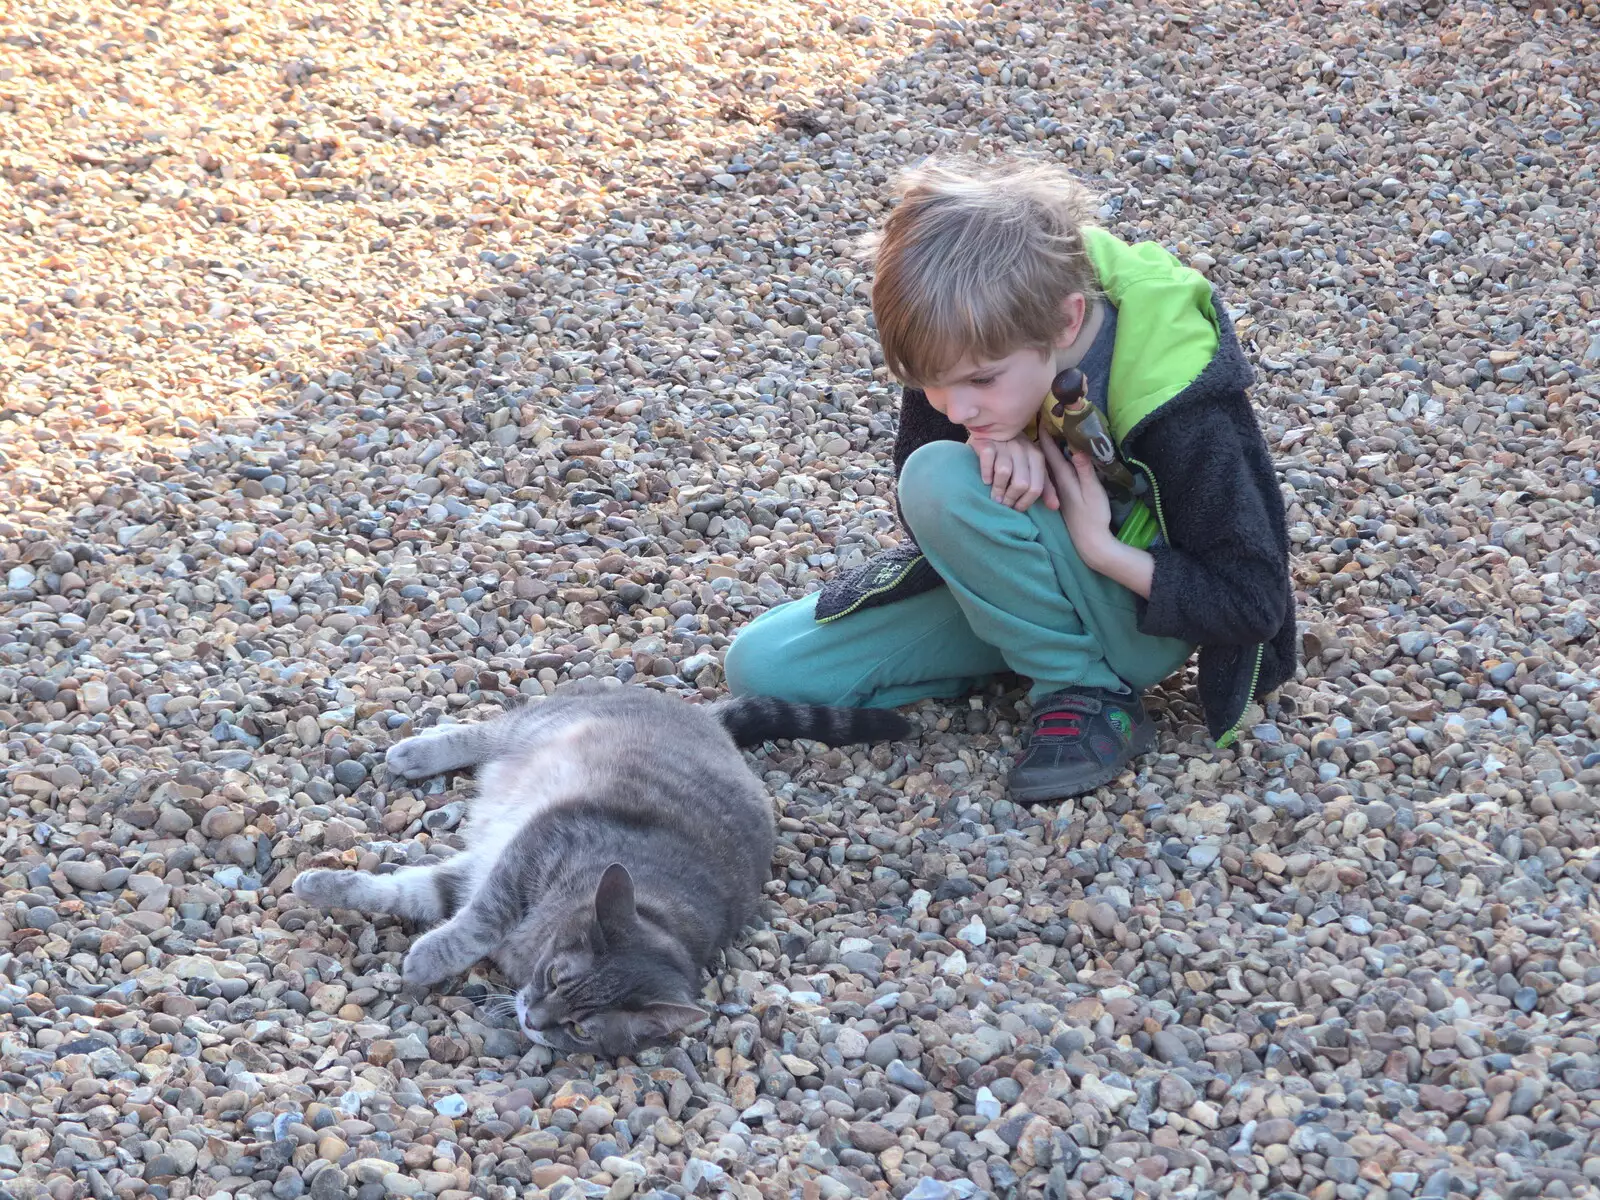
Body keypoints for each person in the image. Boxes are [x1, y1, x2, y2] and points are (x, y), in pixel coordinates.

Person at [723, 156, 1296, 804]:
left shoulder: (1176, 389)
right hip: (1021, 581)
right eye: (929, 384)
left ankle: (1087, 693)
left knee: (937, 476)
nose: (954, 405)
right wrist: (991, 439)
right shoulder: (960, 357)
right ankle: (1030, 644)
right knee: (762, 666)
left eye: (979, 383)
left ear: (1065, 322)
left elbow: (1253, 601)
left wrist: (1101, 548)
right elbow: (932, 526)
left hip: (1139, 623)